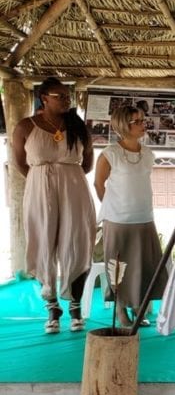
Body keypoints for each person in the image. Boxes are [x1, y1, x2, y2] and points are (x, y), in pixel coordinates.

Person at [12, 77, 96, 334]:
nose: (66, 99)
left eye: (67, 95)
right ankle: (52, 307)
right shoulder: (26, 126)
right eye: (59, 95)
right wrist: (42, 181)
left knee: (77, 243)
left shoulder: (79, 126)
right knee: (42, 242)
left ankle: (75, 306)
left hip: (75, 188)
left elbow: (88, 162)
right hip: (39, 189)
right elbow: (19, 162)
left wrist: (65, 177)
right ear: (44, 98)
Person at [93, 105, 168, 327]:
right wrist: (114, 207)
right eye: (137, 121)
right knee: (118, 267)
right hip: (117, 220)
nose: (143, 125)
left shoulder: (148, 154)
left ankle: (138, 306)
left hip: (144, 217)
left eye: (143, 120)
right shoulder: (109, 154)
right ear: (123, 125)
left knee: (143, 266)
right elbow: (98, 185)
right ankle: (119, 308)